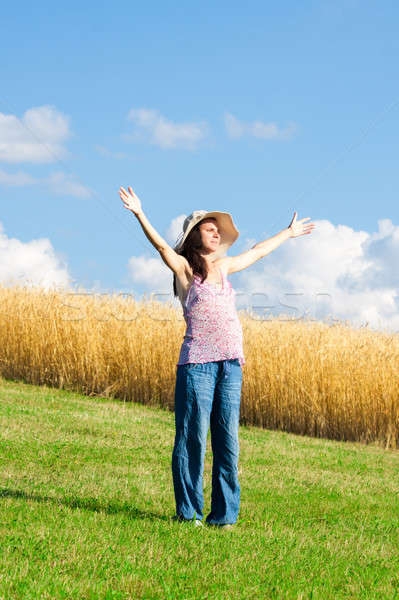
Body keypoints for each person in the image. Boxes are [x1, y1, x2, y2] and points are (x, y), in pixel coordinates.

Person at [119, 185, 315, 530]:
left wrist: (288, 232)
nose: (217, 232)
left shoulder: (224, 267)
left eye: (217, 229)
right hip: (197, 364)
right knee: (192, 437)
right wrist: (139, 213)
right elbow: (162, 246)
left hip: (231, 364)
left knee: (227, 439)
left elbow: (257, 252)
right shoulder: (185, 270)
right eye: (209, 228)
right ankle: (190, 513)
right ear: (195, 235)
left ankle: (224, 516)